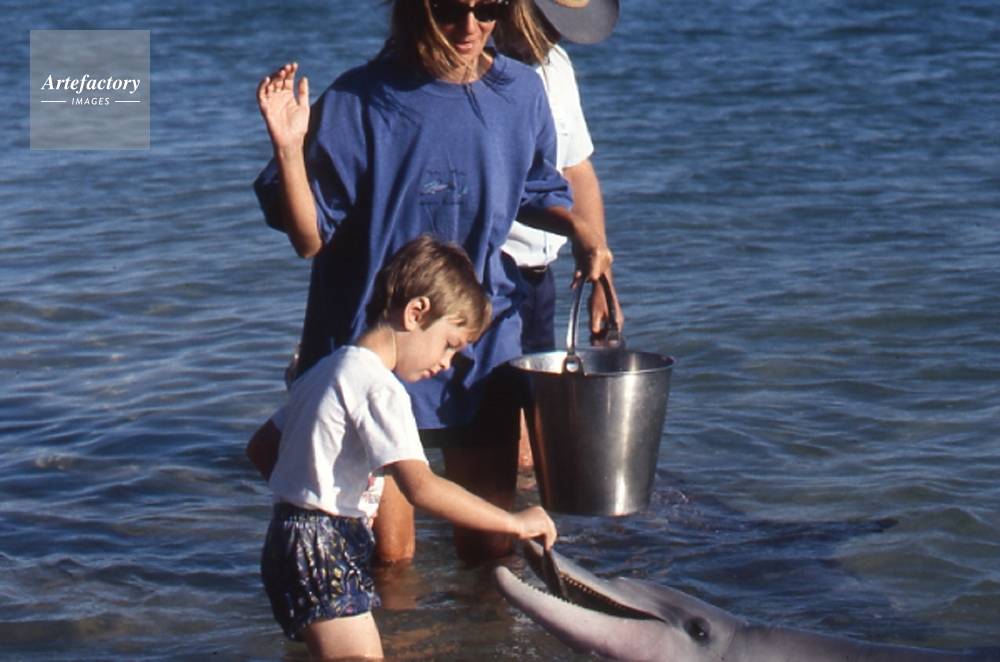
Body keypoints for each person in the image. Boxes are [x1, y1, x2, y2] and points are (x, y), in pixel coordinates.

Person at [252, 0, 613, 566]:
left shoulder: (521, 92)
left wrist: (582, 231)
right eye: (448, 8)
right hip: (381, 350)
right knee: (389, 558)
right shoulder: (359, 99)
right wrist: (288, 152)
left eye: (487, 8)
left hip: (478, 343)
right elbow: (309, 239)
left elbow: (537, 192)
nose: (469, 27)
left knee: (492, 549)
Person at [247, 237, 558, 660]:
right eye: (449, 343)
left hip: (288, 541)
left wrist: (319, 496)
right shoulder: (380, 387)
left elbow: (262, 448)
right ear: (416, 313)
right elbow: (422, 488)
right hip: (325, 546)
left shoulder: (327, 369)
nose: (447, 363)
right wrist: (512, 522)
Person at [494, 0, 621, 476]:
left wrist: (602, 278)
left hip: (539, 276)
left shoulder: (557, 65)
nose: (560, 34)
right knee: (507, 440)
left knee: (538, 428)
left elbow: (577, 170)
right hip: (486, 270)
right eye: (551, 22)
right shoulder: (478, 63)